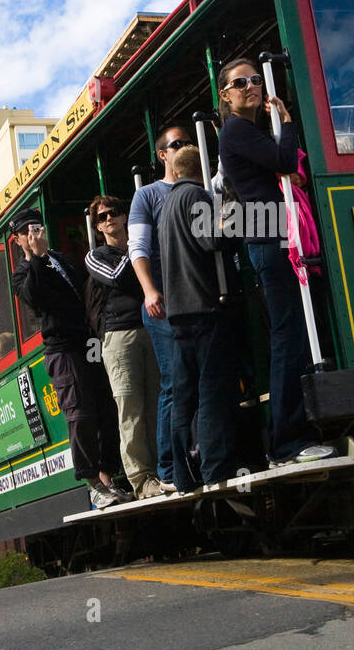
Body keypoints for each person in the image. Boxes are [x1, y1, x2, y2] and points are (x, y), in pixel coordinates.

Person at [215, 57, 332, 467]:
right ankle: (286, 443)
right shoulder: (236, 130)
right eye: (240, 82)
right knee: (286, 339)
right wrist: (286, 118)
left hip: (273, 236)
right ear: (226, 95)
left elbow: (278, 170)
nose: (250, 86)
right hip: (269, 239)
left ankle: (296, 434)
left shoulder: (246, 131)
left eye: (254, 80)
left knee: (294, 336)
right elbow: (284, 161)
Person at [8, 208, 128, 509]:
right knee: (80, 413)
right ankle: (92, 484)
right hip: (62, 350)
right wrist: (35, 257)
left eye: (38, 227)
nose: (35, 235)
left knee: (106, 407)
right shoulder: (23, 272)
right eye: (28, 232)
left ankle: (108, 478)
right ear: (18, 240)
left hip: (87, 341)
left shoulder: (61, 259)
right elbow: (35, 299)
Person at [158, 145, 239, 491]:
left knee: (183, 397)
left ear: (175, 171)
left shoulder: (164, 208)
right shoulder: (197, 197)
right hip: (204, 306)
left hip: (177, 315)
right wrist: (232, 213)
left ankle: (181, 475)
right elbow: (212, 240)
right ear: (197, 170)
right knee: (211, 393)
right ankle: (215, 468)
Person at [128, 124, 196, 493]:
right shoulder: (149, 195)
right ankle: (169, 467)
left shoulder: (198, 188)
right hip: (164, 304)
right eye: (176, 144)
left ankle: (195, 457)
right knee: (174, 381)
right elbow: (137, 247)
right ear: (162, 154)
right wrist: (150, 290)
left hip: (197, 300)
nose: (183, 148)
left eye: (188, 142)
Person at [84, 195, 163, 499]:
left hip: (151, 328)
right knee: (130, 409)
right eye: (102, 217)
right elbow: (117, 276)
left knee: (156, 403)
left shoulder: (138, 245)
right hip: (119, 338)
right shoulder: (96, 256)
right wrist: (138, 248)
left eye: (114, 213)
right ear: (97, 226)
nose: (109, 219)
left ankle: (162, 470)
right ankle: (142, 481)